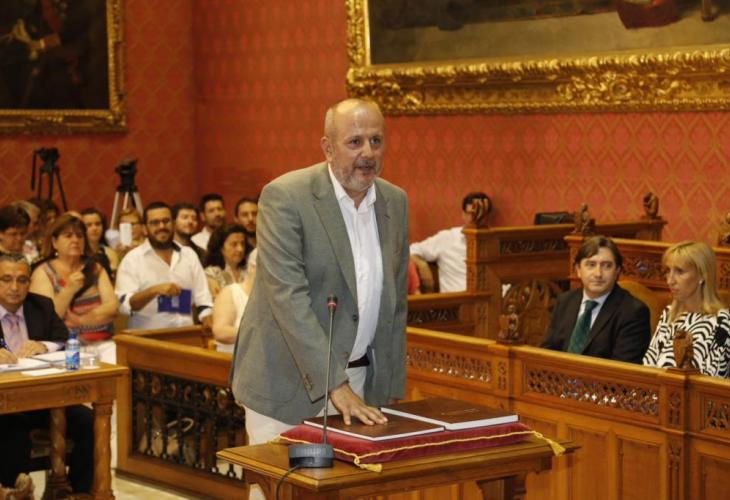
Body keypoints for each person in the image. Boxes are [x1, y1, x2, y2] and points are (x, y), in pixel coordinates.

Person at [230, 98, 409, 477]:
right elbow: (288, 299)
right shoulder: (286, 196)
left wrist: (390, 386)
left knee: (346, 489)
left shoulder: (395, 201)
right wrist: (334, 385)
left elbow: (395, 303)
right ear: (327, 148)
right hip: (286, 383)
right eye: (355, 142)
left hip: (359, 384)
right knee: (280, 489)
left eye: (376, 141)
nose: (368, 153)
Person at [0, 253, 94, 494]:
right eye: (6, 279)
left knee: (88, 421)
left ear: (29, 283)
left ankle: (77, 492)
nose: (15, 287)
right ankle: (14, 493)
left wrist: (43, 345)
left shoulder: (40, 305)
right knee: (13, 428)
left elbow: (63, 338)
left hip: (42, 399)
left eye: (22, 280)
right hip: (4, 403)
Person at [541, 236, 651, 363]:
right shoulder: (565, 301)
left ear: (617, 271)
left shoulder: (633, 312)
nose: (598, 273)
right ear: (578, 270)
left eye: (607, 266)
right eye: (591, 265)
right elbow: (547, 351)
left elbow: (621, 369)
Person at [29, 214, 118, 363]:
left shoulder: (95, 268)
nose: (75, 240)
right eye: (68, 235)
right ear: (54, 242)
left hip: (103, 344)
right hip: (63, 347)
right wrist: (69, 289)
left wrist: (80, 320)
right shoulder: (44, 272)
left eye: (79, 236)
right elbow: (47, 318)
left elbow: (112, 308)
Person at [115, 202, 213, 330]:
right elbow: (125, 305)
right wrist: (153, 291)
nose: (161, 226)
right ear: (145, 229)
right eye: (155, 223)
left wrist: (207, 318)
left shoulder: (189, 255)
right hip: (147, 338)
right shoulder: (132, 260)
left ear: (173, 224)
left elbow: (203, 299)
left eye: (166, 221)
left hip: (186, 335)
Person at [643, 241, 730, 376]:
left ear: (702, 275)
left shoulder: (722, 322)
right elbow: (648, 368)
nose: (670, 280)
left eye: (679, 271)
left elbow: (714, 379)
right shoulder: (669, 314)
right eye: (668, 271)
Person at [409, 192, 491, 292]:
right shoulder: (448, 238)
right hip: (456, 298)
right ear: (463, 214)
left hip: (492, 298)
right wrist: (422, 265)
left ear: (487, 216)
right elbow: (410, 250)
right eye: (471, 213)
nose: (475, 218)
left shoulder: (495, 241)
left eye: (480, 214)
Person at [212, 248, 257, 352]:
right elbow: (220, 332)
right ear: (252, 267)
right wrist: (258, 334)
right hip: (231, 358)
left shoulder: (273, 299)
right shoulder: (231, 292)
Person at [203, 224, 249, 299]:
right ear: (220, 247)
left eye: (243, 244)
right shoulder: (212, 274)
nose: (240, 249)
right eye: (234, 244)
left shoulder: (249, 271)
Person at [80, 207, 119, 280]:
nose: (94, 228)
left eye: (97, 224)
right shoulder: (76, 254)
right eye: (89, 225)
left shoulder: (110, 253)